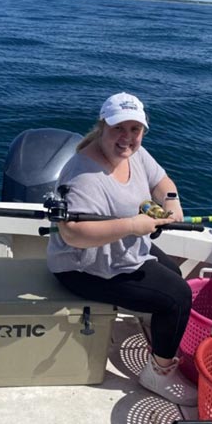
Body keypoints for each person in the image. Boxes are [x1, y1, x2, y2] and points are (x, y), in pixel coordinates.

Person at [47, 92, 196, 406]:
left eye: (135, 130)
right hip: (82, 267)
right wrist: (133, 225)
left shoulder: (134, 154)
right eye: (119, 129)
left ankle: (157, 331)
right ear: (103, 126)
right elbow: (73, 233)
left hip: (124, 252)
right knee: (178, 296)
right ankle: (159, 373)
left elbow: (162, 181)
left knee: (174, 273)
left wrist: (172, 202)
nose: (127, 138)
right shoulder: (84, 175)